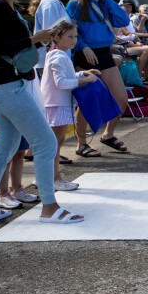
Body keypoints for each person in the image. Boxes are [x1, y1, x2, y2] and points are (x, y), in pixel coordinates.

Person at [0, 0, 82, 225]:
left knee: (5, 147)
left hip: (4, 85)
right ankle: (49, 207)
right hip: (8, 86)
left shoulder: (4, 5)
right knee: (45, 142)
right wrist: (34, 38)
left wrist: (34, 40)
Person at [66, 0, 131, 156]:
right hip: (85, 55)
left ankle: (108, 135)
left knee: (121, 98)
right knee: (87, 100)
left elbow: (123, 19)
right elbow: (69, 29)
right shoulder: (75, 4)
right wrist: (82, 46)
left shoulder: (105, 3)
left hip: (104, 53)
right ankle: (81, 144)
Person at [41, 20, 100, 190]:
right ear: (57, 38)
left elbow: (66, 76)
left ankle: (48, 177)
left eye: (75, 36)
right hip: (56, 104)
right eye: (69, 36)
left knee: (54, 143)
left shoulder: (59, 54)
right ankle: (53, 178)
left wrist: (82, 73)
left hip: (57, 103)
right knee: (55, 143)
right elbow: (61, 83)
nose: (74, 40)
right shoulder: (58, 56)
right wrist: (83, 80)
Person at [29, 0, 73, 77]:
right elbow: (50, 36)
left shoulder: (57, 3)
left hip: (59, 60)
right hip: (51, 62)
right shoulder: (50, 3)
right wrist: (56, 61)